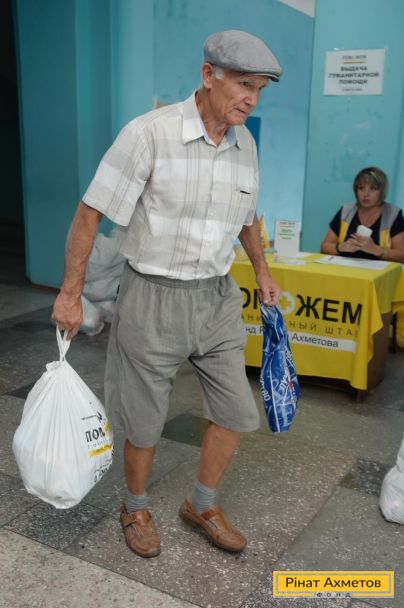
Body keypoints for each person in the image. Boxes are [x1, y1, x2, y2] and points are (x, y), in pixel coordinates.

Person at [52, 30, 282, 558]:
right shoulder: (149, 134)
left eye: (259, 89)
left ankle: (202, 503)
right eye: (243, 85)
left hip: (216, 298)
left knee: (235, 409)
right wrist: (70, 294)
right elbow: (90, 212)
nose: (251, 99)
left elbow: (248, 217)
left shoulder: (245, 144)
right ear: (208, 76)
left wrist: (262, 271)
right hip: (152, 295)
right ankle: (134, 506)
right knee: (143, 418)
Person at [321, 166, 404, 262]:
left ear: (382, 192)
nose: (366, 194)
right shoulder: (346, 211)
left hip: (377, 270)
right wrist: (341, 247)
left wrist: (377, 250)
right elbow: (324, 247)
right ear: (356, 190)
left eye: (373, 188)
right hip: (345, 268)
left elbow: (402, 255)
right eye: (361, 188)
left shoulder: (393, 214)